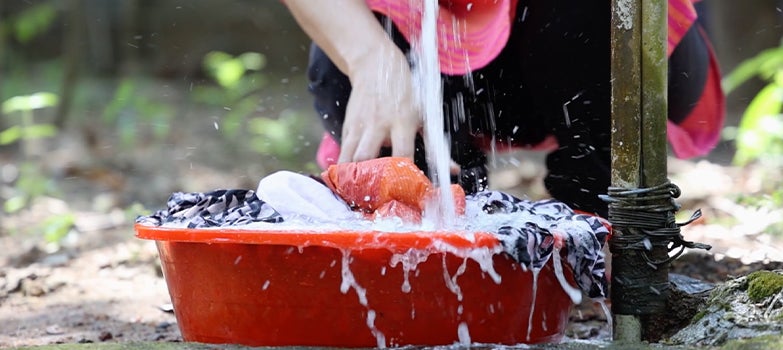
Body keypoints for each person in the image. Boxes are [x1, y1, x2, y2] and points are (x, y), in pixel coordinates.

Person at [283, 0, 725, 218]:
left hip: (590, 37)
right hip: (429, 46)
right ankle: (426, 223)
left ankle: (608, 226)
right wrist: (370, 59)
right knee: (339, 66)